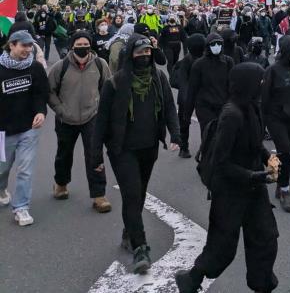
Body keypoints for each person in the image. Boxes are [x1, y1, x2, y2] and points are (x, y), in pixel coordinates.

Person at [175, 63, 280, 293]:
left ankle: (262, 285)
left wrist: (267, 158)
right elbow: (220, 164)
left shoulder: (252, 106)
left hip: (253, 188)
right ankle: (193, 279)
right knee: (222, 246)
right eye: (259, 81)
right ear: (246, 84)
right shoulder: (231, 115)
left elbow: (254, 143)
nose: (262, 85)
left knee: (265, 237)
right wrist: (255, 176)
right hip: (230, 191)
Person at [91, 35, 181, 274]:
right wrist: (95, 156)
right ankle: (141, 247)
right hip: (122, 150)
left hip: (149, 147)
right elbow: (101, 122)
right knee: (132, 195)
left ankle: (129, 233)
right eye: (139, 53)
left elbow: (170, 108)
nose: (144, 57)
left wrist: (176, 134)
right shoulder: (115, 83)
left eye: (147, 53)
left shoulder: (158, 78)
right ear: (129, 55)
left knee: (139, 194)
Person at [47, 31, 112, 213]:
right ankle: (61, 183)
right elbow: (49, 91)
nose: (82, 48)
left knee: (95, 155)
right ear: (72, 46)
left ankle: (99, 195)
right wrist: (60, 110)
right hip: (66, 119)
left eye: (86, 45)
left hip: (92, 117)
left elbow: (107, 88)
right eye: (79, 45)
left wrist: (103, 111)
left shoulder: (100, 64)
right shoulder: (61, 66)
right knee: (64, 153)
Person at [0, 31, 49, 226]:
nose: (28, 50)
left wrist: (41, 111)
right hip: (3, 130)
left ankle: (21, 208)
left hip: (29, 128)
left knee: (25, 170)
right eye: (24, 46)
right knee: (2, 168)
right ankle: (2, 189)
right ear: (11, 45)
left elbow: (40, 93)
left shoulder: (35, 68)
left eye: (31, 46)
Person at [262, 35, 290, 213]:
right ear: (288, 51)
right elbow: (264, 99)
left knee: (288, 152)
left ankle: (280, 185)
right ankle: (285, 191)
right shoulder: (272, 71)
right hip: (276, 117)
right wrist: (262, 124)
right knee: (286, 152)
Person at [187, 33, 234, 138]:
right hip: (205, 107)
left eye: (219, 43)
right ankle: (206, 153)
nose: (216, 46)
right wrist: (187, 114)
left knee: (224, 136)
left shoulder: (228, 62)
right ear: (208, 46)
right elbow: (192, 90)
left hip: (224, 105)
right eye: (213, 44)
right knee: (208, 134)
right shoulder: (199, 65)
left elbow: (233, 85)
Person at [171, 33, 206, 159]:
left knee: (184, 123)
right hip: (202, 96)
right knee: (206, 123)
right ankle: (205, 148)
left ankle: (184, 148)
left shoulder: (185, 60)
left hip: (185, 97)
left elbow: (179, 81)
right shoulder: (205, 60)